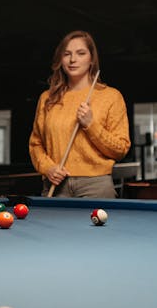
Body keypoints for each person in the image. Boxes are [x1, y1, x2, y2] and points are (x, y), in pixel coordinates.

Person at [29, 30, 130, 198]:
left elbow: (120, 149)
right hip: (55, 184)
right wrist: (48, 168)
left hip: (96, 187)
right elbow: (36, 144)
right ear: (60, 60)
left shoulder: (111, 96)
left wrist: (91, 125)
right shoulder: (47, 98)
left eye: (81, 53)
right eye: (67, 54)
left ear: (91, 59)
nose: (73, 60)